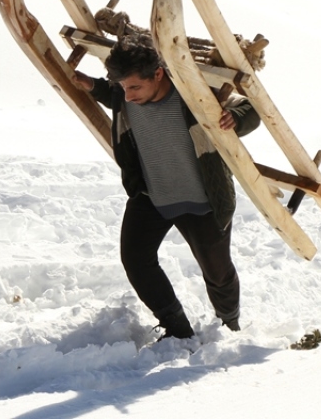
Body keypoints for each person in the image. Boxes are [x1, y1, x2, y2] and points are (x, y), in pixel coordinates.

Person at [70, 37, 260, 339]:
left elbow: (249, 106)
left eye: (135, 87)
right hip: (152, 196)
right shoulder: (126, 95)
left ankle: (230, 325)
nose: (128, 96)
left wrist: (235, 119)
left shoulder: (192, 94)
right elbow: (115, 94)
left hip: (204, 201)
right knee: (135, 260)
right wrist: (92, 85)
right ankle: (177, 329)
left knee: (218, 273)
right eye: (124, 88)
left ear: (158, 74)